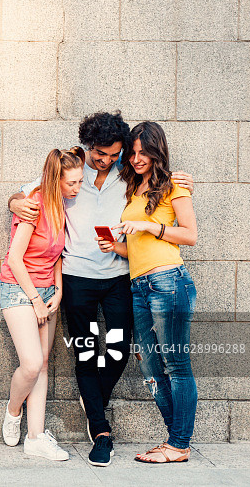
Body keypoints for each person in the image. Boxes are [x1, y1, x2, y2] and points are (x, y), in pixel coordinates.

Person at [8, 111, 194, 467]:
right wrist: (15, 201)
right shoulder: (73, 164)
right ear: (88, 146)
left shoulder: (129, 166)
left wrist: (182, 179)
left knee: (120, 348)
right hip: (77, 276)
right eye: (100, 155)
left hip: (120, 275)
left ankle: (92, 397)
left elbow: (158, 173)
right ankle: (100, 429)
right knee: (86, 351)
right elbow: (27, 191)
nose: (107, 160)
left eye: (113, 154)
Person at [97, 121, 198, 464]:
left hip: (168, 282)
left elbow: (190, 235)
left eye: (144, 152)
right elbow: (136, 251)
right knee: (151, 368)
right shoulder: (134, 189)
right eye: (134, 152)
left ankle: (179, 445)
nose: (138, 158)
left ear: (157, 151)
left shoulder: (173, 187)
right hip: (139, 285)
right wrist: (115, 247)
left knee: (176, 365)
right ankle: (175, 440)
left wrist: (148, 226)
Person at [0, 148, 85, 461]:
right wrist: (35, 299)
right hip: (19, 289)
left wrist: (58, 290)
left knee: (44, 364)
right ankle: (13, 411)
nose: (78, 188)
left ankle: (35, 437)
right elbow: (14, 258)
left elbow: (56, 256)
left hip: (49, 291)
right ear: (55, 179)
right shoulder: (33, 204)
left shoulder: (61, 205)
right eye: (72, 183)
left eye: (80, 182)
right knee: (32, 363)